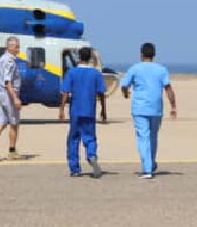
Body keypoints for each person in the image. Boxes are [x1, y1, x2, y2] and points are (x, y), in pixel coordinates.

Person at [118, 42, 176, 180]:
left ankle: (147, 169)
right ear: (154, 54)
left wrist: (126, 93)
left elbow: (124, 85)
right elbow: (168, 88)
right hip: (156, 108)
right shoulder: (161, 69)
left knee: (143, 137)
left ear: (141, 54)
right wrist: (173, 106)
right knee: (153, 136)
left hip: (140, 108)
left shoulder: (135, 68)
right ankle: (151, 162)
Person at [60, 46, 108, 178]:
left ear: (79, 57)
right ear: (90, 58)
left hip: (75, 110)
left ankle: (75, 168)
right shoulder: (96, 73)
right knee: (90, 137)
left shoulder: (71, 72)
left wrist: (61, 109)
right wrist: (103, 110)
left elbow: (65, 91)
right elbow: (101, 93)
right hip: (89, 110)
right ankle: (91, 155)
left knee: (73, 138)